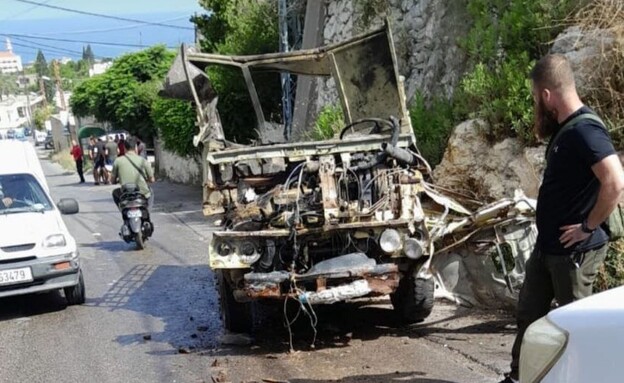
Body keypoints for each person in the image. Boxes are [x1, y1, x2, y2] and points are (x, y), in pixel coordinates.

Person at [499, 54, 624, 383]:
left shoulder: (585, 130)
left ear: (546, 95)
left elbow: (615, 181)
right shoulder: (568, 130)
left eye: (534, 98)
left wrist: (588, 226)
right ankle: (519, 378)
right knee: (529, 315)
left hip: (574, 254)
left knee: (577, 330)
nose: (536, 107)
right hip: (549, 248)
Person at [111, 136, 155, 208]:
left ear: (124, 148)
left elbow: (112, 180)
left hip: (125, 193)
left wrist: (116, 180)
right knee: (151, 192)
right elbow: (152, 179)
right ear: (136, 147)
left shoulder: (118, 161)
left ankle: (122, 208)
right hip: (142, 193)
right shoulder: (143, 161)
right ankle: (147, 211)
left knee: (115, 192)